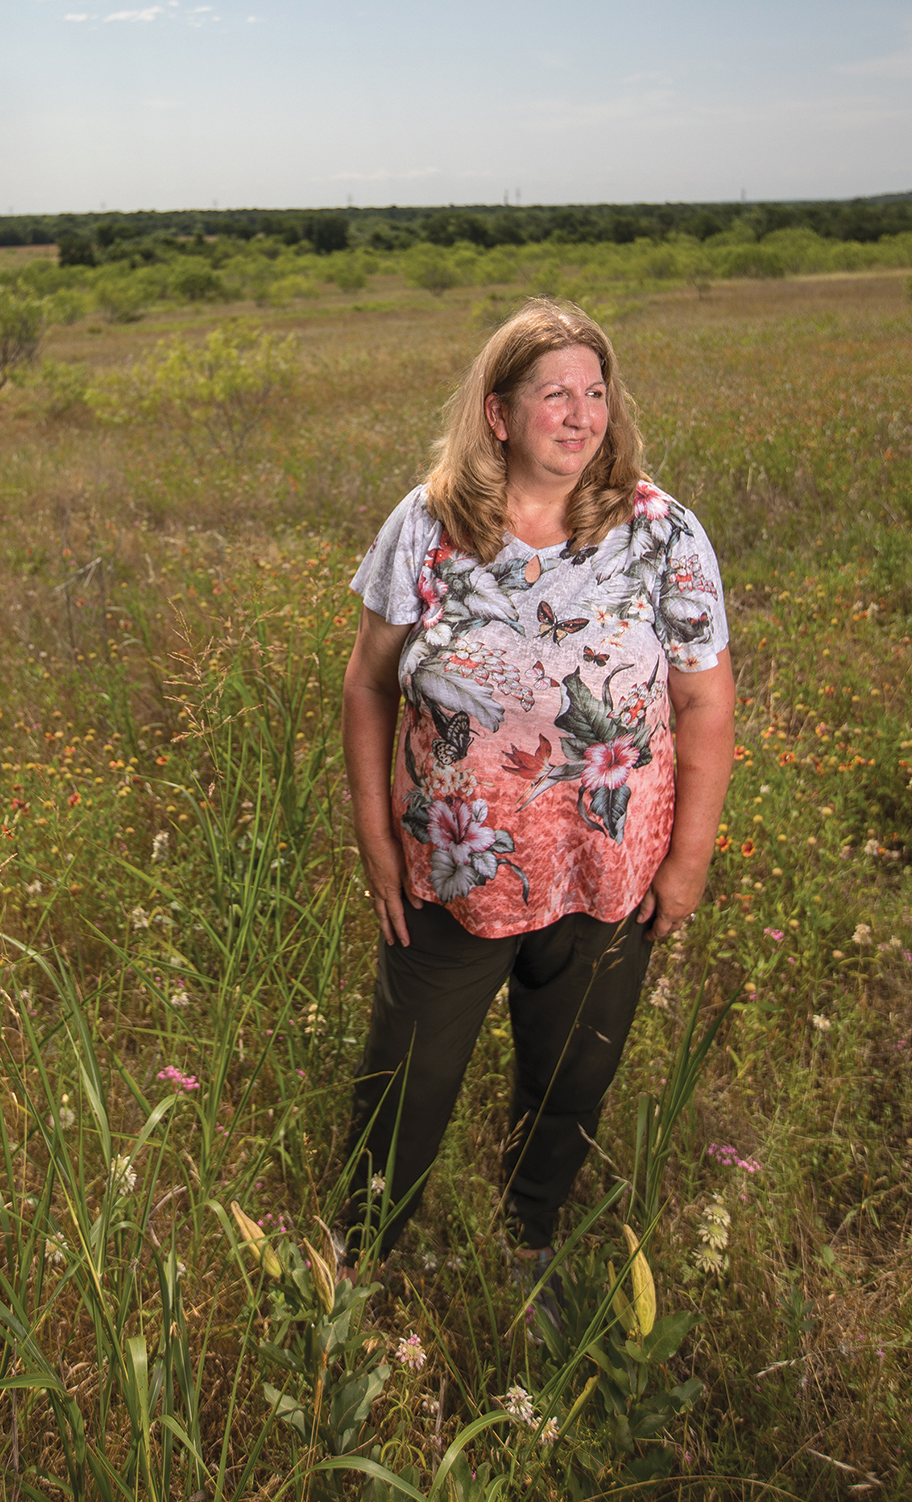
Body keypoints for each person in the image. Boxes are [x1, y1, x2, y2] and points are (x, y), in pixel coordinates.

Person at [337, 297, 734, 1269]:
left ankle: (527, 1247)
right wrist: (379, 841)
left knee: (569, 1085)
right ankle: (353, 1271)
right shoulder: (428, 525)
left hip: (606, 879)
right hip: (453, 881)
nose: (581, 412)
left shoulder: (661, 531)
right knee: (406, 1085)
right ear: (500, 412)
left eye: (595, 391)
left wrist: (686, 861)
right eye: (554, 392)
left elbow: (705, 706)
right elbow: (367, 681)